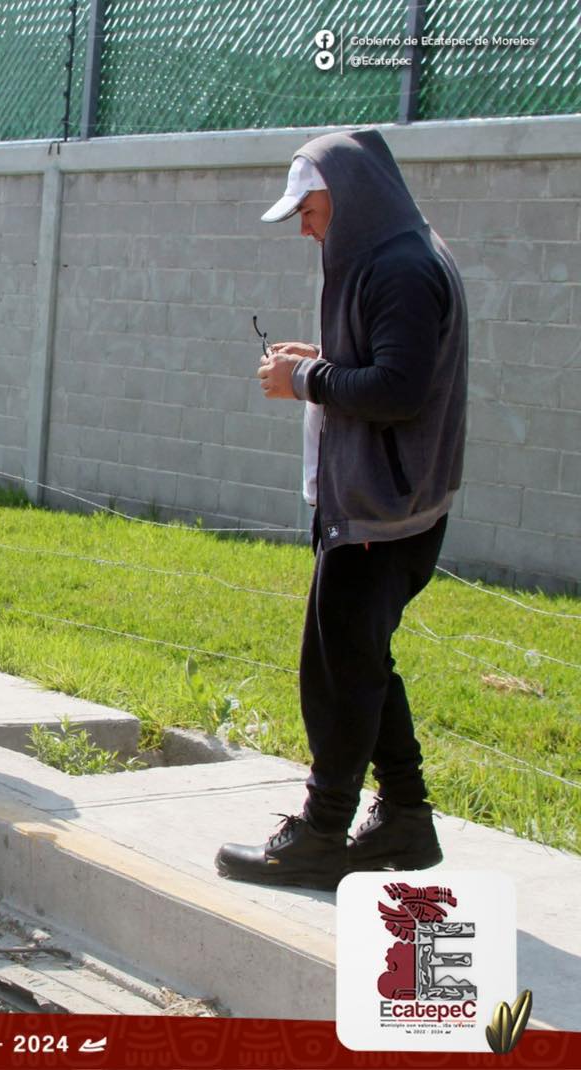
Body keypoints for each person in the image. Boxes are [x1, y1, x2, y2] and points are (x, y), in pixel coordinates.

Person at [215, 129, 468, 890]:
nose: (304, 225)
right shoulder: (391, 253)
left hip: (382, 515)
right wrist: (318, 362)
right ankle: (405, 818)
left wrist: (308, 379)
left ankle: (324, 832)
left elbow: (398, 389)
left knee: (335, 674)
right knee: (361, 662)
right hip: (381, 506)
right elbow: (384, 365)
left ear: (348, 198)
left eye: (311, 208)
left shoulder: (399, 268)